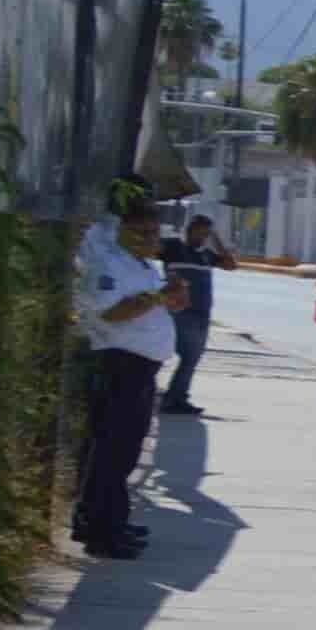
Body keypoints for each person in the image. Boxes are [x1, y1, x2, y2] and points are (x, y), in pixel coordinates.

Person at [71, 199, 187, 559]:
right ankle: (103, 532)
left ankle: (107, 520)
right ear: (125, 232)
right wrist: (156, 297)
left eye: (157, 232)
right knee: (113, 452)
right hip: (121, 366)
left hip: (140, 368)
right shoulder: (110, 266)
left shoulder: (140, 265)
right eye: (146, 232)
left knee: (123, 451)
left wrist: (171, 299)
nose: (155, 239)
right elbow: (112, 313)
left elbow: (152, 304)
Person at [160, 211, 232, 412]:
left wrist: (216, 239)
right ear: (188, 231)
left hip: (202, 313)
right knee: (184, 355)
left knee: (191, 358)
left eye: (205, 234)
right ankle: (173, 399)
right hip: (180, 311)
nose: (201, 238)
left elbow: (230, 265)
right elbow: (148, 249)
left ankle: (176, 398)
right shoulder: (173, 247)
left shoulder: (206, 255)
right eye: (199, 233)